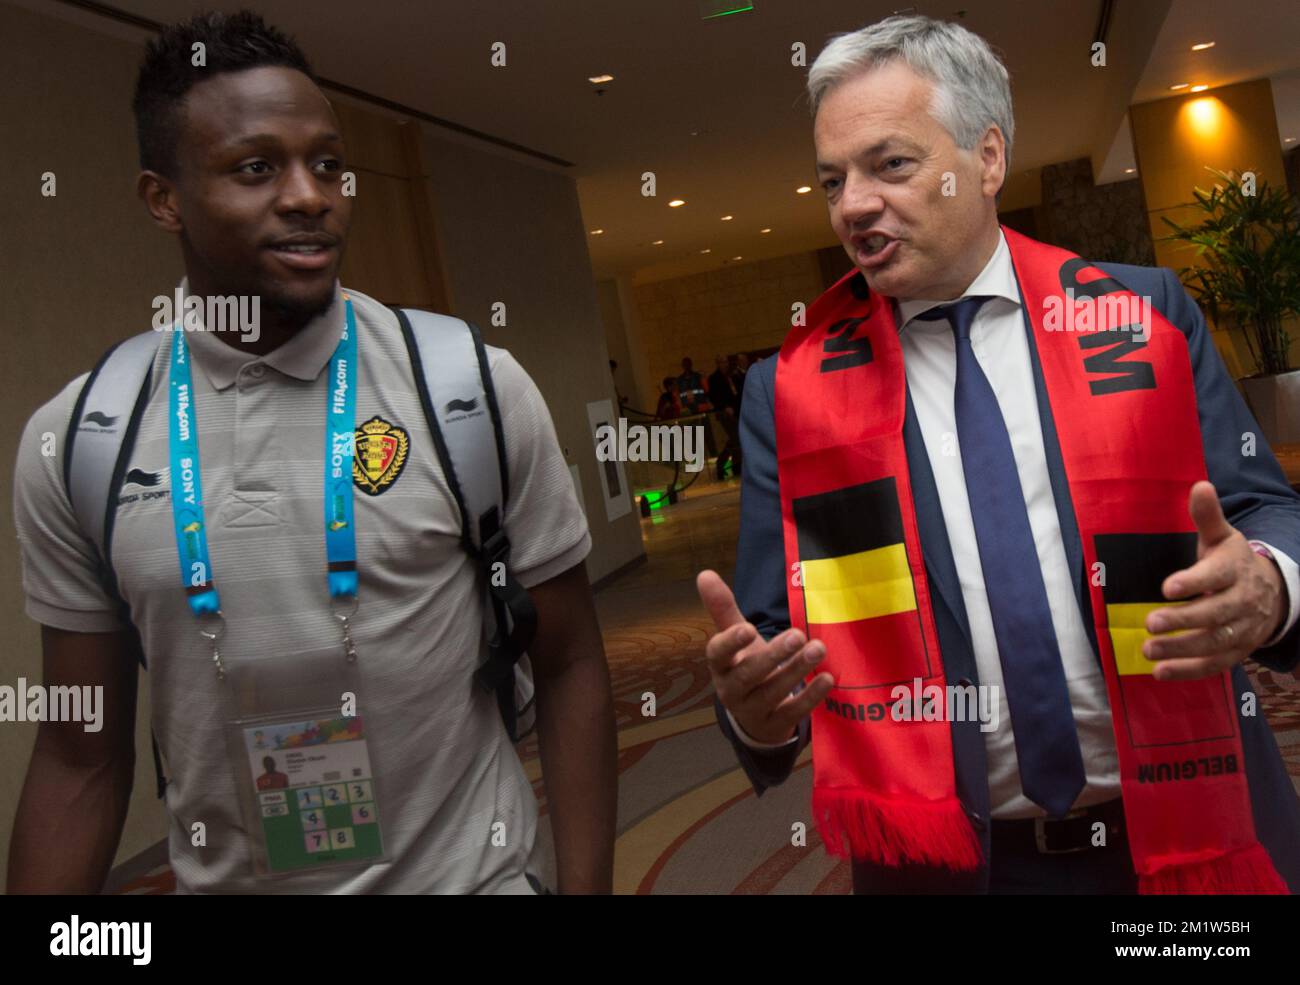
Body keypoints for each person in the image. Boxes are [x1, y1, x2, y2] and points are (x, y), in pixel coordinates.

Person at [9, 10, 616, 895]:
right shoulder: (83, 439)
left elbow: (568, 664)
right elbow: (77, 755)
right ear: (163, 198)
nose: (310, 195)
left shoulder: (466, 388)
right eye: (257, 168)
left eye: (328, 163)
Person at [697, 14, 1300, 894]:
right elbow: (770, 642)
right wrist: (754, 712)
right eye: (833, 180)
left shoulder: (1142, 318)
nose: (854, 204)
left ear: (986, 159)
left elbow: (1264, 509)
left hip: (1183, 834)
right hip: (947, 867)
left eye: (889, 164)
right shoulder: (790, 392)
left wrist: (1271, 584)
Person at [707, 354, 743, 480]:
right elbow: (714, 397)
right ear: (718, 364)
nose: (725, 364)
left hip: (736, 411)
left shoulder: (732, 376)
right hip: (725, 413)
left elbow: (736, 393)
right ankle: (731, 465)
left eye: (726, 362)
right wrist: (724, 407)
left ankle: (726, 465)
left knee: (734, 439)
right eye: (722, 362)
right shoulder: (714, 379)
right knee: (735, 438)